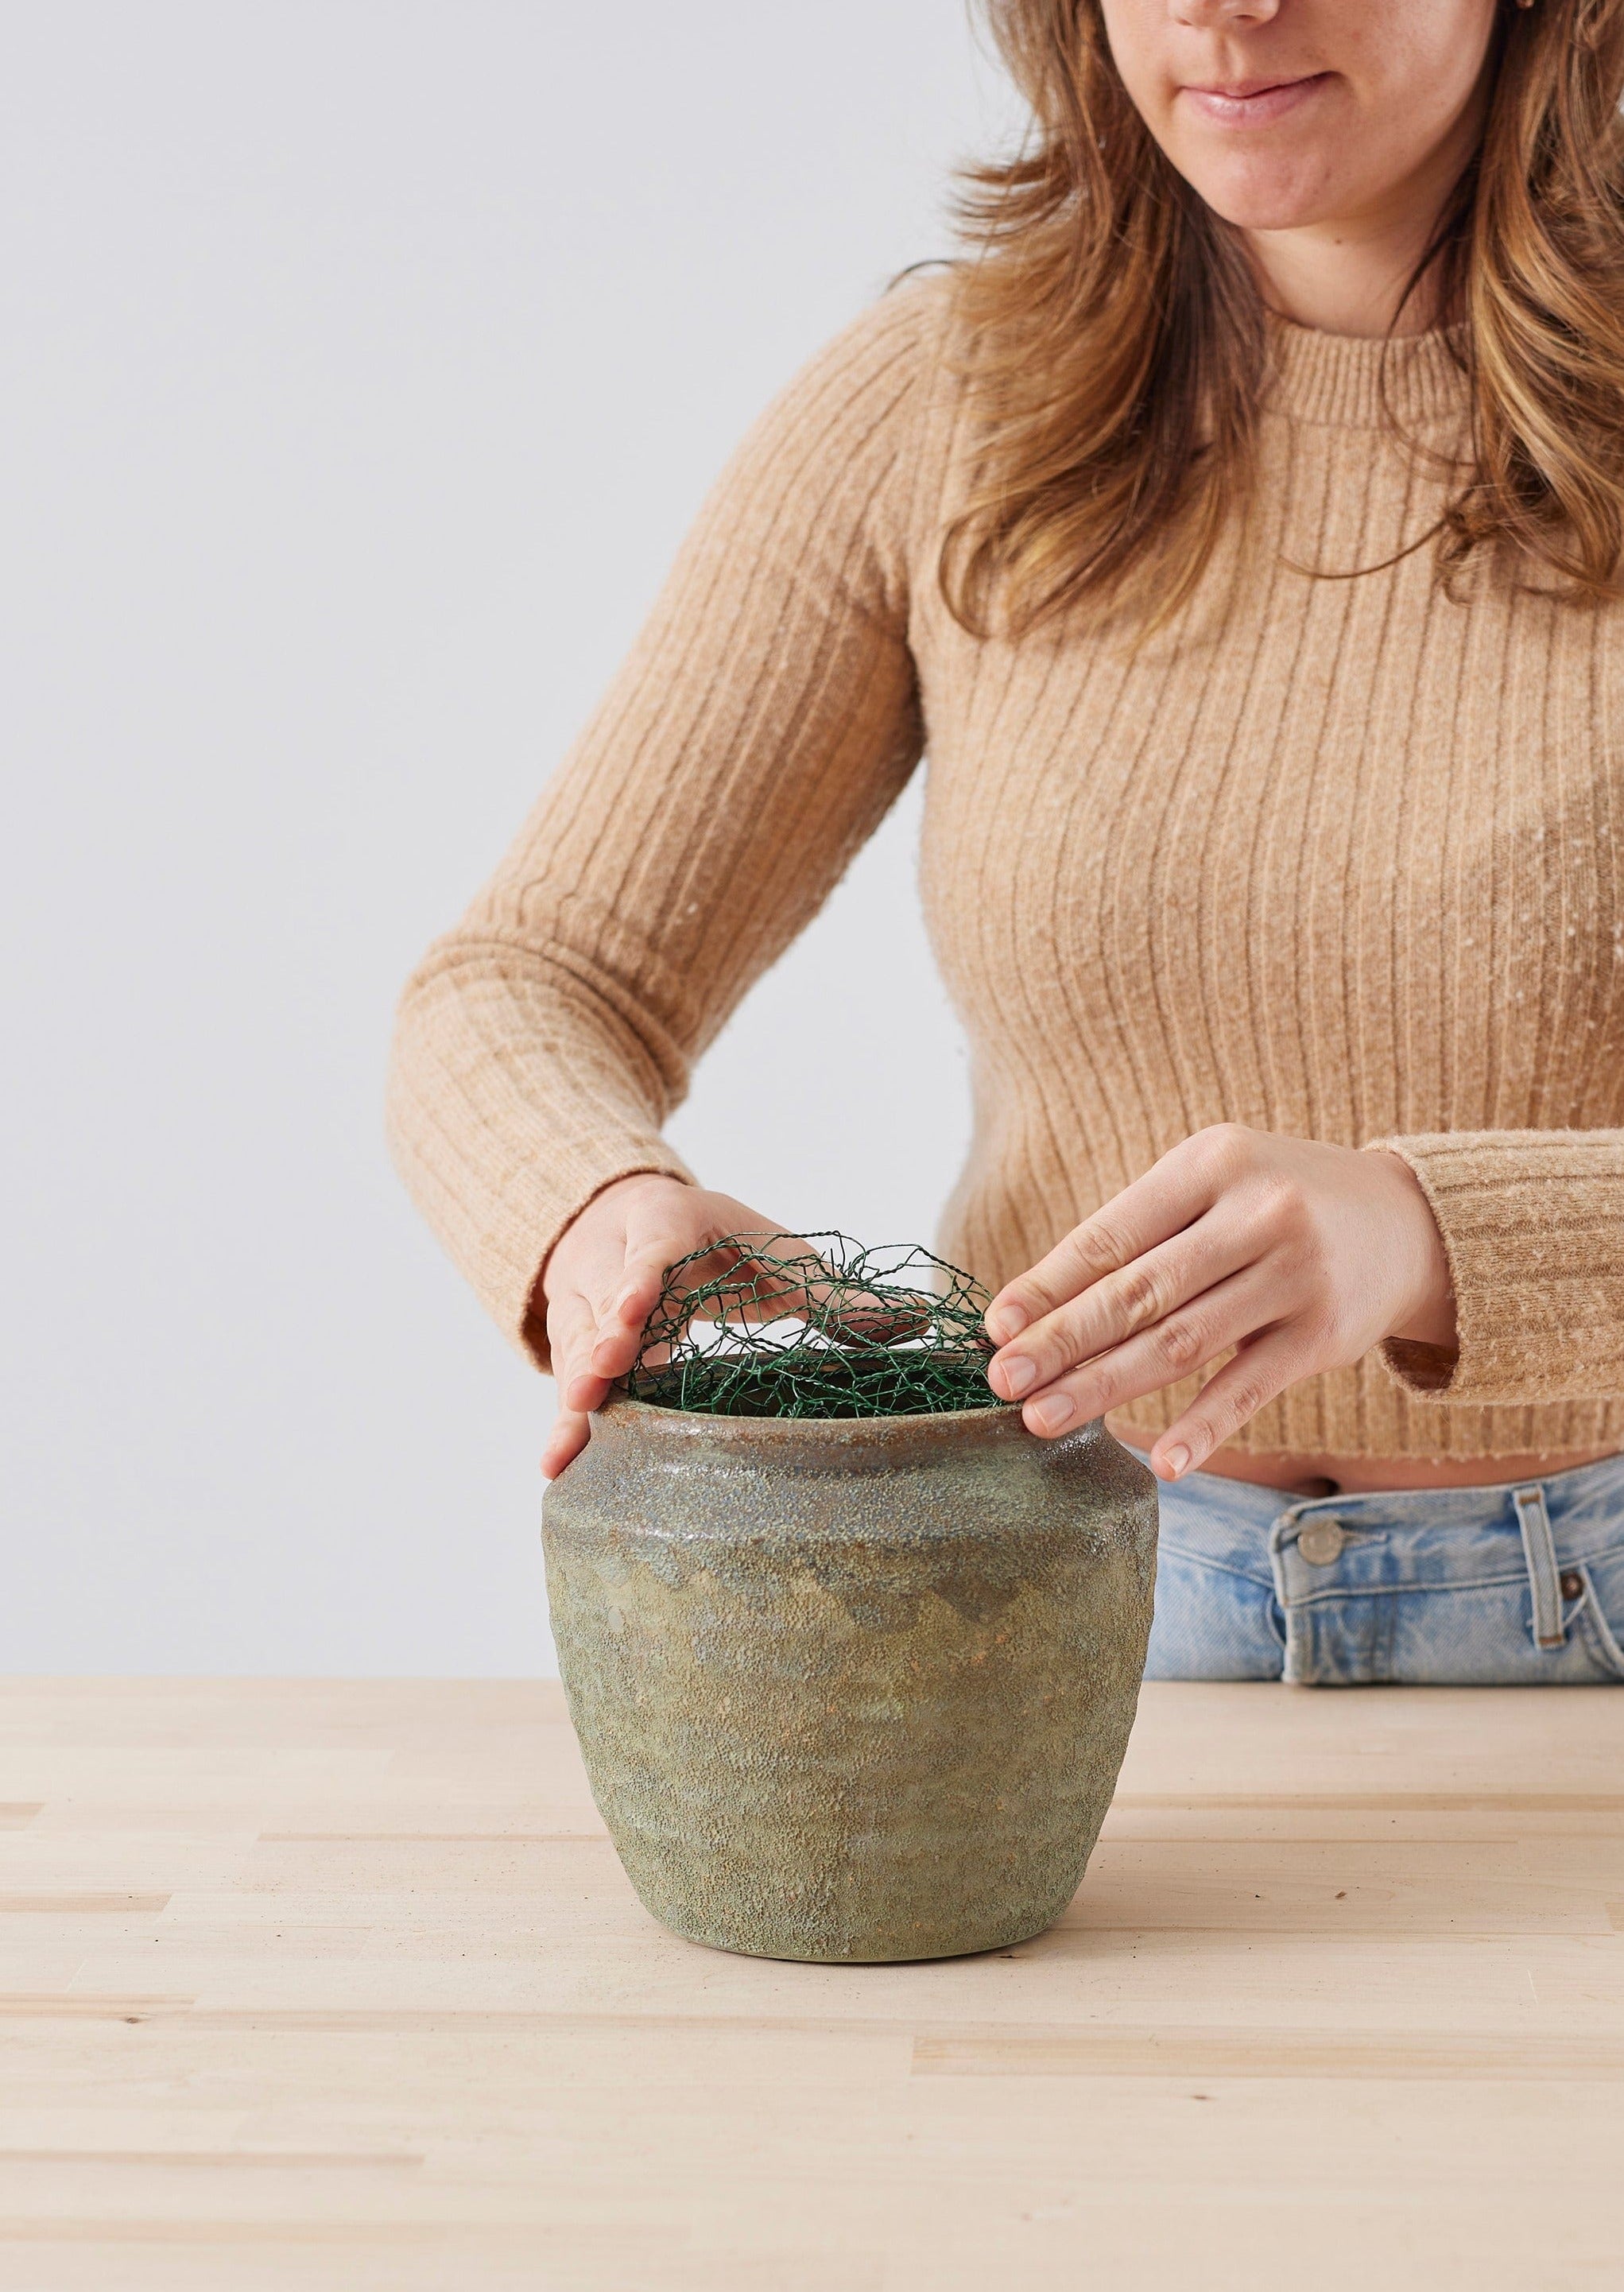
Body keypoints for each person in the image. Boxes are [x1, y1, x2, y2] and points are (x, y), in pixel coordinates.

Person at [389, 0, 1624, 1685]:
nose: (1221, 8)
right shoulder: (940, 401)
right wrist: (607, 1215)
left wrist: (1418, 1233)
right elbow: (526, 982)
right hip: (1056, 1610)